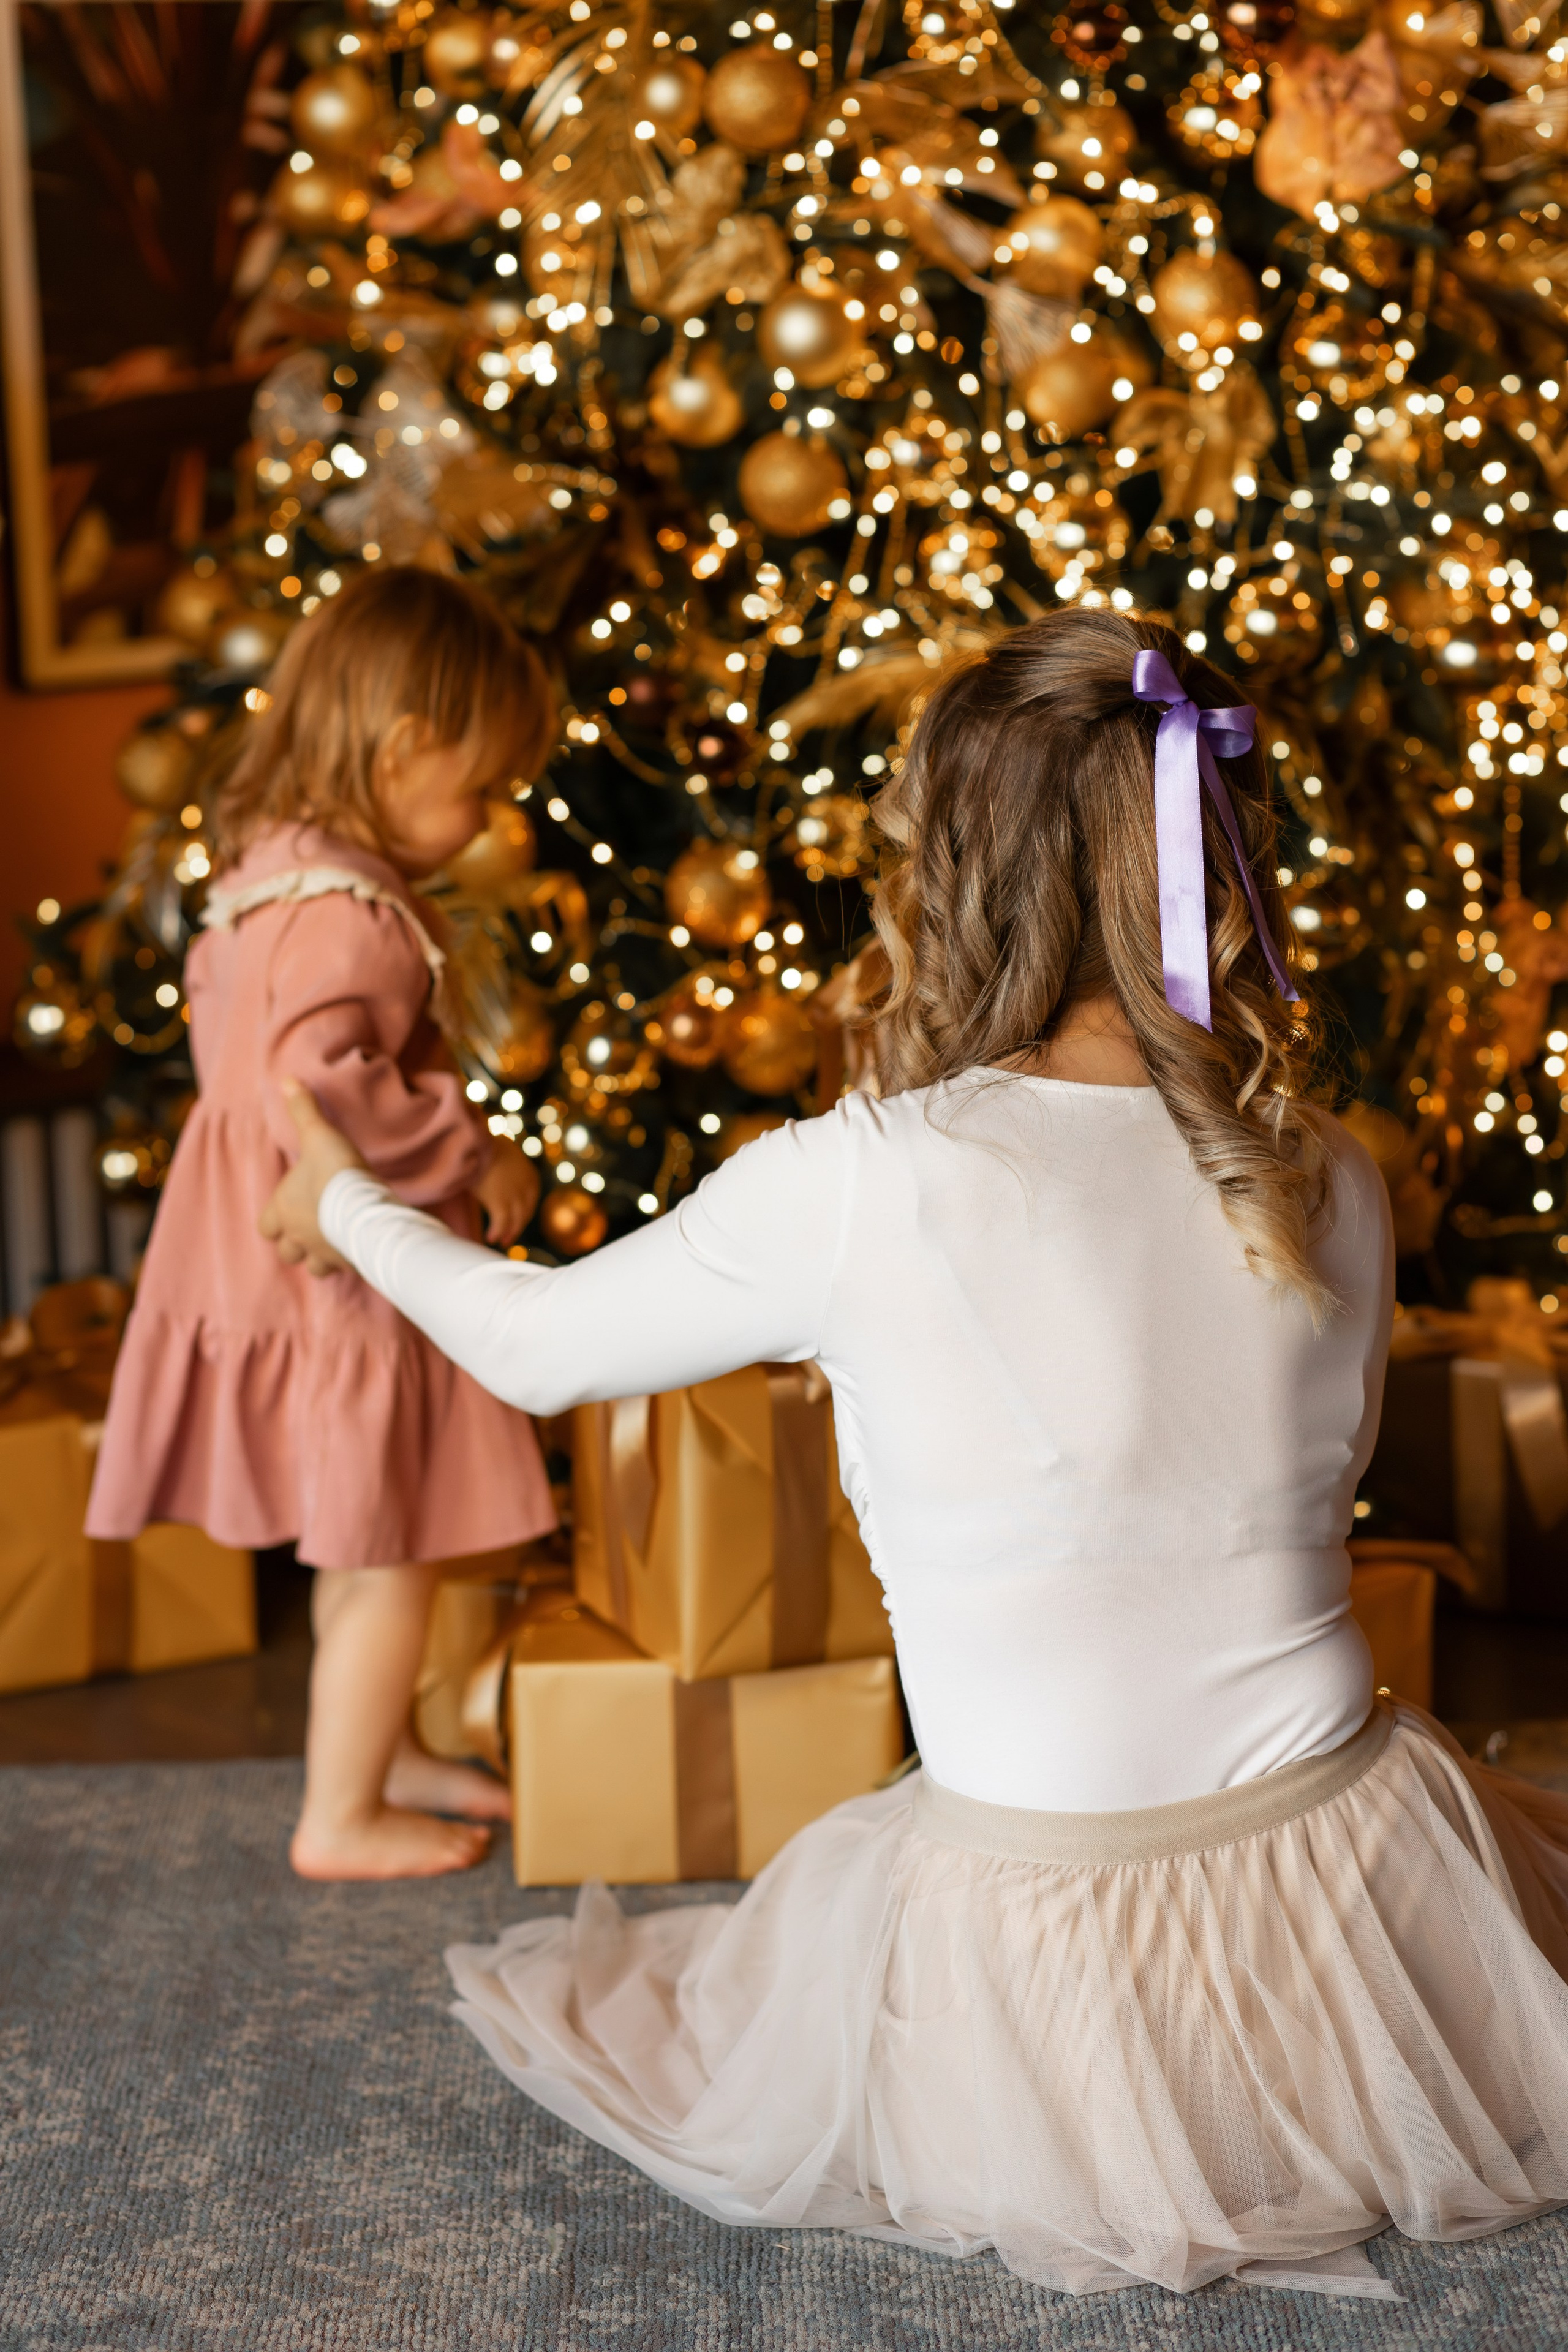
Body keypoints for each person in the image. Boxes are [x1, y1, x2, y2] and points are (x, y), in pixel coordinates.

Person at [262, 609, 1568, 2297]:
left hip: (1051, 1967)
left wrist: (344, 1202)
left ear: (956, 868)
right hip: (1370, 1910)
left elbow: (533, 1342)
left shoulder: (867, 1178)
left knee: (737, 2011)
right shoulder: (1328, 1165)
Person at [89, 567, 558, 1882]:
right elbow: (320, 1084)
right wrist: (474, 1150)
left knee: (369, 1530)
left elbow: (230, 1054)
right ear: (406, 748)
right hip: (334, 1269)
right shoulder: (358, 918)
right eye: (481, 787)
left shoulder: (255, 883)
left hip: (250, 1246)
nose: (484, 821)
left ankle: (387, 1750)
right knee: (388, 1543)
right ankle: (339, 1813)